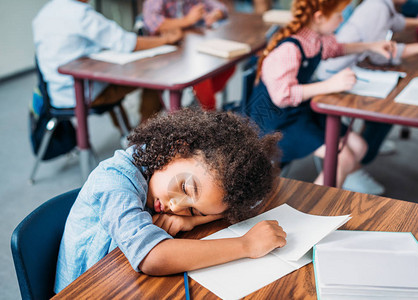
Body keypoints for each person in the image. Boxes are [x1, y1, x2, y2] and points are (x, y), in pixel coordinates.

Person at [54, 109, 286, 292]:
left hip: (124, 280)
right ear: (178, 148)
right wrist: (246, 245)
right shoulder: (116, 181)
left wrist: (193, 222)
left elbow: (237, 205)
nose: (175, 207)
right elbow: (153, 257)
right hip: (86, 288)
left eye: (193, 210)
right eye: (185, 188)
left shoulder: (166, 170)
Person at [245, 0, 397, 189]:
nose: (342, 20)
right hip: (274, 121)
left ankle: (340, 181)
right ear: (319, 17)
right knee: (343, 156)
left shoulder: (315, 39)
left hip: (298, 111)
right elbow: (282, 96)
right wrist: (330, 85)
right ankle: (316, 208)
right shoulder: (290, 49)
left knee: (359, 146)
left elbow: (339, 48)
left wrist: (372, 46)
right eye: (339, 15)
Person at [314, 0, 418, 194]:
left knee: (394, 91)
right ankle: (358, 161)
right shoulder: (377, 8)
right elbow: (380, 55)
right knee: (391, 103)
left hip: (350, 69)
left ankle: (360, 150)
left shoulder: (382, 5)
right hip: (336, 76)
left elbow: (396, 22)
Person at [32, 0, 182, 128]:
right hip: (79, 93)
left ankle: (127, 132)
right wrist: (166, 40)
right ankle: (145, 133)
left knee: (108, 80)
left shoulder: (44, 13)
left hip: (54, 93)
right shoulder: (80, 14)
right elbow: (127, 43)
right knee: (156, 77)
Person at [142, 0, 235, 110]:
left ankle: (198, 106)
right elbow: (153, 23)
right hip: (165, 55)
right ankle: (207, 111)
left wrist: (215, 14)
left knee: (229, 64)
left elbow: (220, 7)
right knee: (200, 76)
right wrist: (187, 20)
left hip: (192, 48)